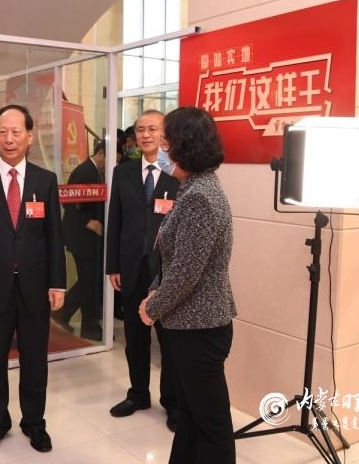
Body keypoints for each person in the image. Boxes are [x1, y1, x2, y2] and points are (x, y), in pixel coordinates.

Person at [0, 104, 66, 456]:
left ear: (30, 136)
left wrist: (57, 282)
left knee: (35, 360)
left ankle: (34, 423)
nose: (9, 139)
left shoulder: (45, 180)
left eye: (16, 132)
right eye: (3, 131)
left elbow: (54, 236)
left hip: (35, 287)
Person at [140, 106, 236, 463]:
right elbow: (176, 258)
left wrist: (152, 307)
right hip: (194, 323)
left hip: (199, 327)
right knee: (193, 419)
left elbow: (185, 272)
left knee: (211, 425)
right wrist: (156, 289)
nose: (161, 147)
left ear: (184, 145)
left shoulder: (199, 197)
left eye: (166, 140)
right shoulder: (196, 187)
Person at [105, 109, 180, 430]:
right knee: (135, 339)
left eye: (152, 129)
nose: (145, 135)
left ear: (165, 134)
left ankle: (172, 403)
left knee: (169, 342)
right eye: (140, 130)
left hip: (166, 273)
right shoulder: (122, 172)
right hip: (131, 268)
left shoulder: (178, 173)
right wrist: (112, 265)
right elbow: (115, 221)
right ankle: (138, 394)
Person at [52, 140, 106, 340]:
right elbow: (68, 202)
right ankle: (89, 327)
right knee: (89, 281)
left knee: (89, 280)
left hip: (89, 239)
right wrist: (88, 222)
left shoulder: (96, 171)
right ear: (101, 153)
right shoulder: (84, 172)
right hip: (81, 237)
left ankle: (64, 314)